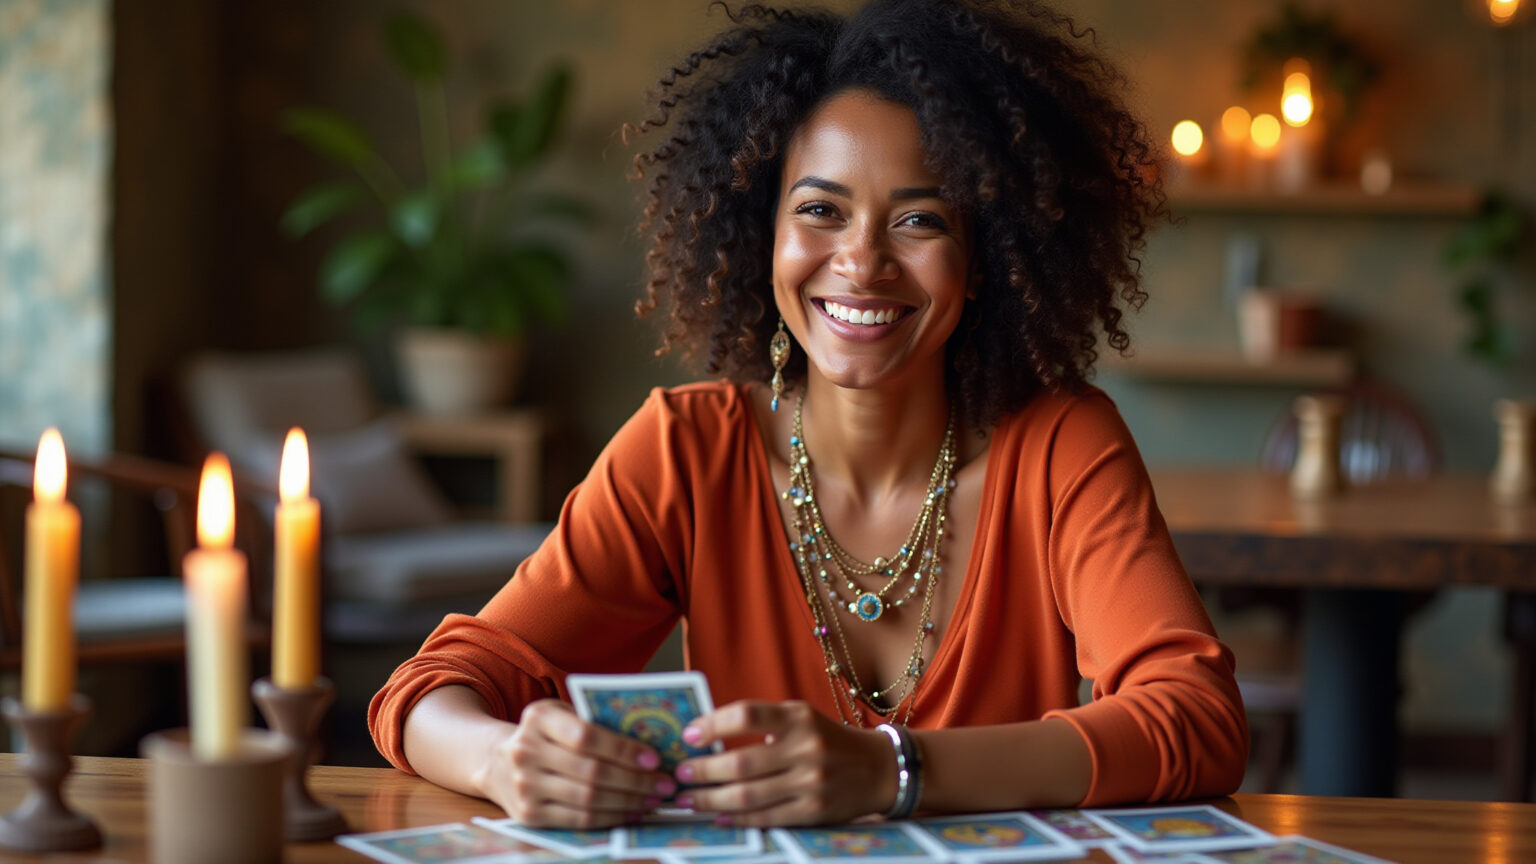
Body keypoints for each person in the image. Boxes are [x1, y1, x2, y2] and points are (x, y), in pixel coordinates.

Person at [370, 0, 1247, 828]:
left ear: (983, 260)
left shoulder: (1061, 446)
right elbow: (433, 691)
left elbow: (1198, 721)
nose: (861, 263)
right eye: (821, 211)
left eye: (920, 222)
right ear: (767, 238)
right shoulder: (685, 452)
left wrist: (889, 770)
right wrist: (501, 761)